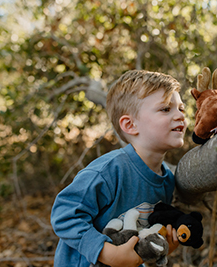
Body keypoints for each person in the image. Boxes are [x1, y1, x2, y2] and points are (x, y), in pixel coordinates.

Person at [50, 69, 187, 267]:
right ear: (130, 125)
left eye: (181, 108)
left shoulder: (166, 180)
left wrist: (161, 246)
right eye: (166, 109)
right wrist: (108, 253)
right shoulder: (109, 171)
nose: (180, 116)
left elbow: (138, 240)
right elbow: (64, 213)